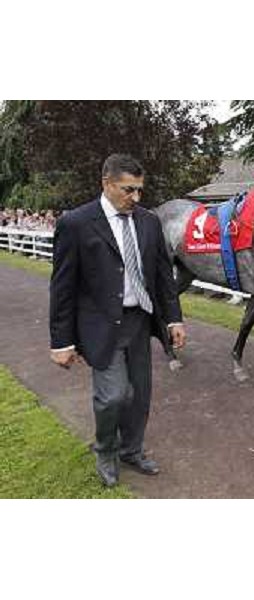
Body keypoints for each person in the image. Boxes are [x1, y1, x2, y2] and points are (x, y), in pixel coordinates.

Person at [49, 154, 186, 487]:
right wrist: (61, 342)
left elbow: (162, 275)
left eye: (139, 190)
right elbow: (63, 287)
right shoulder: (77, 223)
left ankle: (131, 450)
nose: (136, 198)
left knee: (139, 395)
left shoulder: (148, 221)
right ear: (106, 183)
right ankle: (106, 451)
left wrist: (173, 320)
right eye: (128, 190)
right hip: (100, 325)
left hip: (140, 321)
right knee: (112, 396)